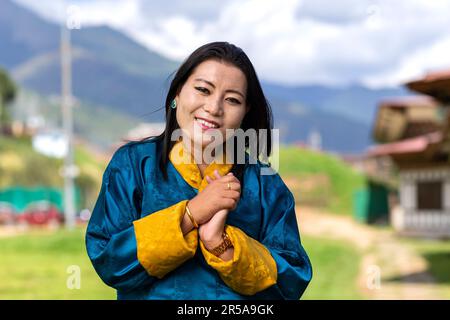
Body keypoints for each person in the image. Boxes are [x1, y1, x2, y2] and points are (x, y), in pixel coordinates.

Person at [85, 41, 312, 300]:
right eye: (203, 89)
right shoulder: (132, 165)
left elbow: (290, 282)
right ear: (177, 93)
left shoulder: (265, 185)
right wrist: (191, 214)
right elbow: (109, 261)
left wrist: (220, 243)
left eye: (232, 100)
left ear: (245, 113)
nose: (214, 108)